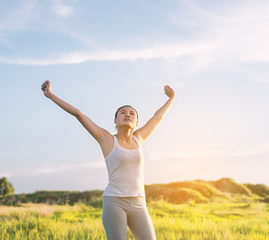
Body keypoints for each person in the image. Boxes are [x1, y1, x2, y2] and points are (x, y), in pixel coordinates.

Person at [41, 80, 175, 240]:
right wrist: (50, 95)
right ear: (115, 120)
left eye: (132, 113)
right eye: (123, 112)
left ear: (137, 122)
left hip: (138, 202)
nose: (128, 115)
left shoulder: (139, 138)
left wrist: (171, 98)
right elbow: (79, 114)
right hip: (114, 201)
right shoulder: (106, 139)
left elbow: (158, 117)